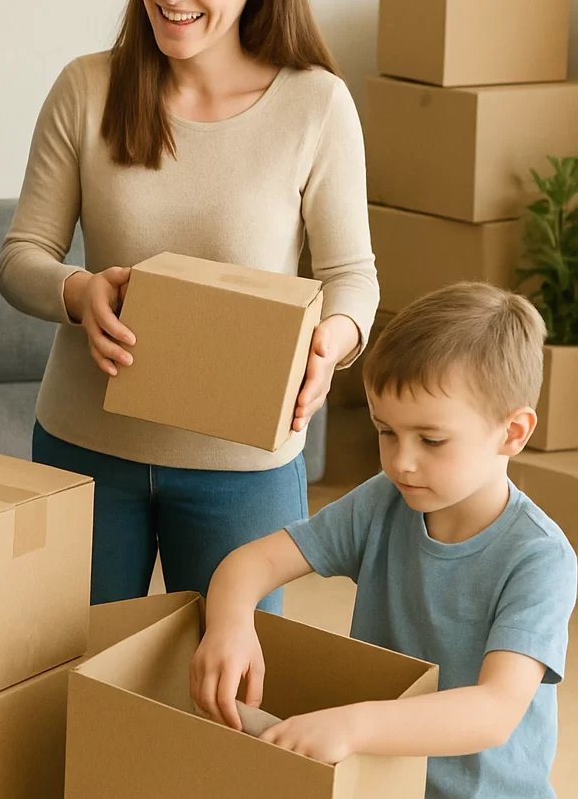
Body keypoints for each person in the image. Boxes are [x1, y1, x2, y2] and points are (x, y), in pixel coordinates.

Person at [0, 0, 378, 606]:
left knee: (228, 696)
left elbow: (351, 276)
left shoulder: (316, 105)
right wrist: (78, 291)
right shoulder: (87, 87)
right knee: (67, 681)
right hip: (85, 448)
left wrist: (331, 344)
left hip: (245, 462)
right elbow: (21, 257)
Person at [191, 282, 577, 799]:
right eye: (385, 431)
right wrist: (229, 624)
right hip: (376, 783)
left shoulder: (540, 558)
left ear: (512, 433)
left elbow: (493, 712)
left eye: (431, 440)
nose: (400, 462)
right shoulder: (384, 501)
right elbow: (252, 562)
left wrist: (352, 726)